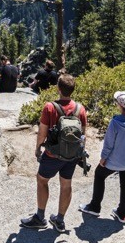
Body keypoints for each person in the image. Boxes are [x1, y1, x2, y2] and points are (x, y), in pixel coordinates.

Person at [21, 74, 88, 231]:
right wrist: (79, 154)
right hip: (71, 155)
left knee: (42, 180)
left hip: (52, 155)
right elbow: (83, 135)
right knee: (66, 185)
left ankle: (39, 217)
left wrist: (38, 148)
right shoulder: (80, 109)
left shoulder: (50, 107)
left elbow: (42, 132)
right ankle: (60, 220)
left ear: (58, 89)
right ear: (73, 90)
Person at [79, 90, 125, 225]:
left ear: (120, 106)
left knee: (99, 175)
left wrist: (103, 159)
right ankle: (122, 214)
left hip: (115, 160)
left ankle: (94, 207)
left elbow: (109, 144)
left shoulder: (115, 122)